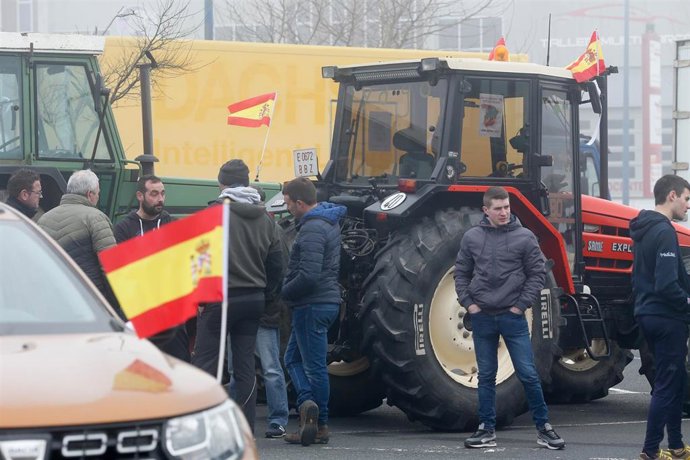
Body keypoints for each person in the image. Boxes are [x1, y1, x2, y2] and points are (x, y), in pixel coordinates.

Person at [454, 186, 565, 450]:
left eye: (506, 207)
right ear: (486, 211)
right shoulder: (471, 237)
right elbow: (461, 273)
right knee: (486, 376)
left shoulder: (525, 237)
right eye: (498, 208)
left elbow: (537, 274)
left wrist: (520, 306)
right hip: (481, 317)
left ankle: (544, 428)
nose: (504, 212)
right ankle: (486, 428)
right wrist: (469, 304)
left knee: (528, 374)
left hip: (512, 318)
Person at [192, 159, 285, 433]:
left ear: (222, 183)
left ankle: (201, 425)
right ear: (246, 183)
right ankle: (245, 428)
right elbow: (277, 264)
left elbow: (199, 259)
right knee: (245, 367)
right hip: (253, 301)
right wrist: (267, 296)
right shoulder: (266, 219)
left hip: (219, 300)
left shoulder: (213, 214)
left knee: (206, 364)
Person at [281, 177, 346, 446]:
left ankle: (318, 422)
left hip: (311, 304)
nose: (287, 209)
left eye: (288, 204)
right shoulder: (328, 223)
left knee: (314, 366)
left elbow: (308, 275)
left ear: (299, 202)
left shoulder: (311, 229)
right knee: (292, 359)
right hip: (325, 302)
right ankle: (310, 406)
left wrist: (283, 292)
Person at [630, 174, 690, 460]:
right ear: (672, 196)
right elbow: (667, 283)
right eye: (687, 199)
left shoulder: (643, 228)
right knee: (667, 384)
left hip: (647, 313)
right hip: (667, 317)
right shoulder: (664, 231)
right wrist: (686, 301)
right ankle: (651, 450)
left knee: (674, 380)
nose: (688, 206)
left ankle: (676, 447)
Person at [226, 185, 291, 439]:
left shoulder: (239, 227)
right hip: (264, 307)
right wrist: (267, 296)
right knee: (269, 366)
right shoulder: (271, 228)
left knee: (243, 368)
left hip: (249, 304)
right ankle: (277, 419)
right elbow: (278, 269)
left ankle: (242, 417)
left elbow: (277, 269)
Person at [113, 174, 190, 363]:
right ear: (140, 196)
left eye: (163, 193)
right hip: (138, 311)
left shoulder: (170, 224)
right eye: (154, 194)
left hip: (170, 312)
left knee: (179, 367)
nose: (160, 199)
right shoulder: (124, 228)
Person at [38, 170, 117, 302]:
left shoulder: (43, 219)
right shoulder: (96, 218)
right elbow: (110, 264)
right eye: (98, 193)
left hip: (52, 296)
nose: (98, 197)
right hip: (88, 298)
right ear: (90, 195)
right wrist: (116, 302)